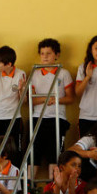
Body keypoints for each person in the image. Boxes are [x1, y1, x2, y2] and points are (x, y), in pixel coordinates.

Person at [29, 38, 74, 174]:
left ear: (57, 55)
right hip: (37, 117)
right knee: (33, 154)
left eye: (48, 53)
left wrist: (55, 100)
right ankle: (30, 189)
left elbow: (70, 98)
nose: (45, 56)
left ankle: (53, 188)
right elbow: (30, 100)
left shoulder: (64, 73)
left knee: (54, 155)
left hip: (57, 118)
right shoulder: (35, 73)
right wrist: (47, 98)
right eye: (42, 53)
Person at [0, 45, 26, 154]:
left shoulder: (20, 74)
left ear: (9, 64)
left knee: (15, 149)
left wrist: (21, 89)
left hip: (14, 117)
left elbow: (24, 100)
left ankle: (15, 171)